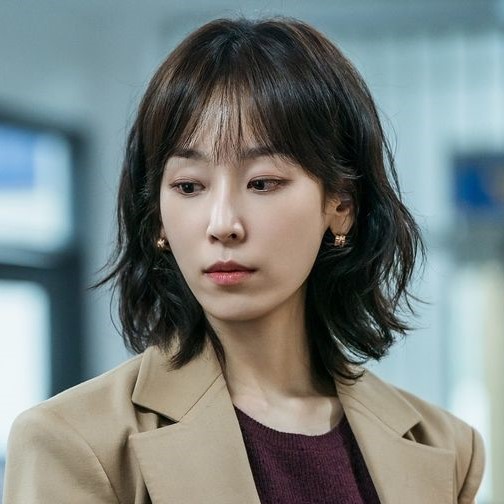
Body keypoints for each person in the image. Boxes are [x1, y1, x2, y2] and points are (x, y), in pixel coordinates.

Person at [3, 16, 485, 504]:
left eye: (262, 183)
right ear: (157, 218)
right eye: (188, 186)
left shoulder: (446, 447)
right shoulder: (73, 442)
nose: (222, 223)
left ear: (340, 205)